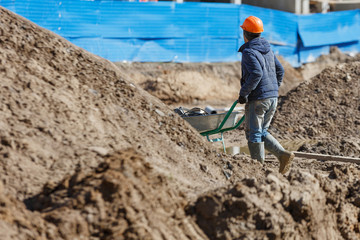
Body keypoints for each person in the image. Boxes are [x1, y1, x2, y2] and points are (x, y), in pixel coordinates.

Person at [238, 16, 294, 174]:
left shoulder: (249, 51)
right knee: (261, 131)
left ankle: (258, 170)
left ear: (245, 33)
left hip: (259, 99)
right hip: (272, 98)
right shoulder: (268, 49)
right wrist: (273, 89)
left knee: (253, 134)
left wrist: (244, 93)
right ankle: (283, 155)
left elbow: (256, 73)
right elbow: (280, 70)